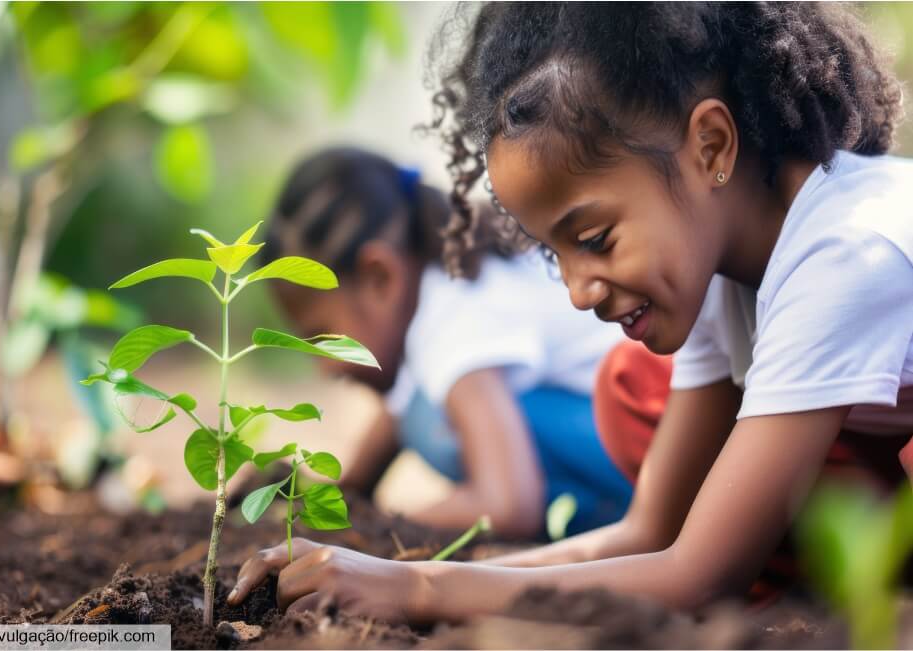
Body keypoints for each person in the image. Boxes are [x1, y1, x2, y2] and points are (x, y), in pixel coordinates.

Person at [227, 3, 913, 621]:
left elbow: (700, 570)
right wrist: (402, 573)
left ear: (710, 146)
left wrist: (419, 591)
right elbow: (648, 532)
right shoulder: (713, 276)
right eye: (555, 256)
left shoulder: (845, 250)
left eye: (594, 240)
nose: (578, 291)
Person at [247, 146, 631, 543]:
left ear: (380, 276)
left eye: (321, 335)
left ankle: (613, 527)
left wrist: (374, 530)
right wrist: (337, 497)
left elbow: (509, 505)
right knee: (421, 407)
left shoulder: (453, 319)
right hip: (628, 439)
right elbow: (394, 416)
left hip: (648, 455)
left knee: (432, 421)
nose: (325, 366)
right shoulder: (439, 295)